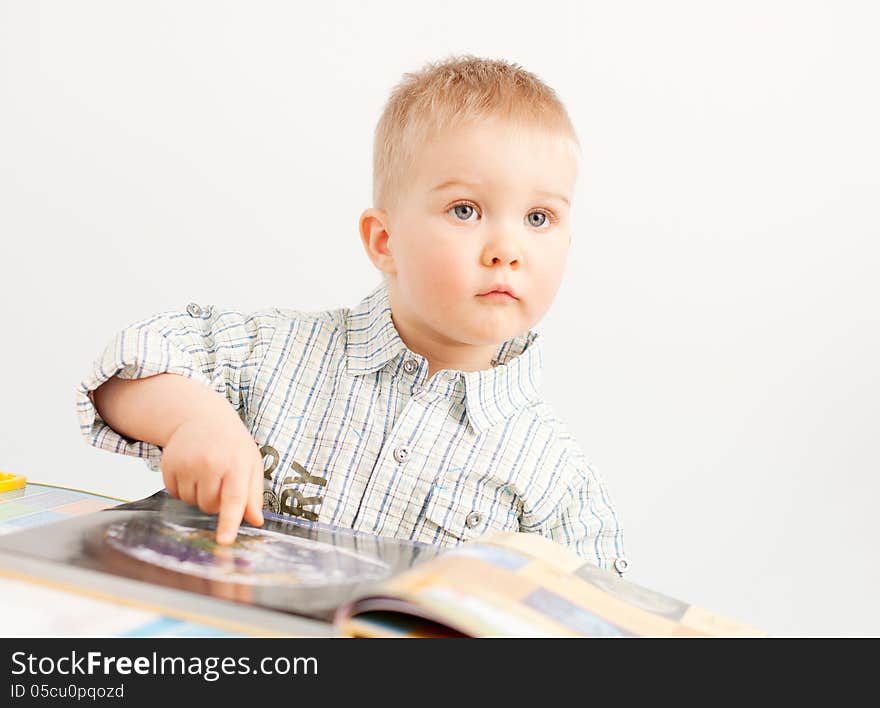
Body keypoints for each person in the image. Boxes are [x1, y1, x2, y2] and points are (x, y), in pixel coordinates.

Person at [76, 55, 629, 576]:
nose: (507, 248)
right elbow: (126, 367)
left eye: (539, 217)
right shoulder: (274, 352)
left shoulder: (555, 478)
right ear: (385, 240)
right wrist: (195, 420)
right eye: (466, 210)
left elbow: (601, 619)